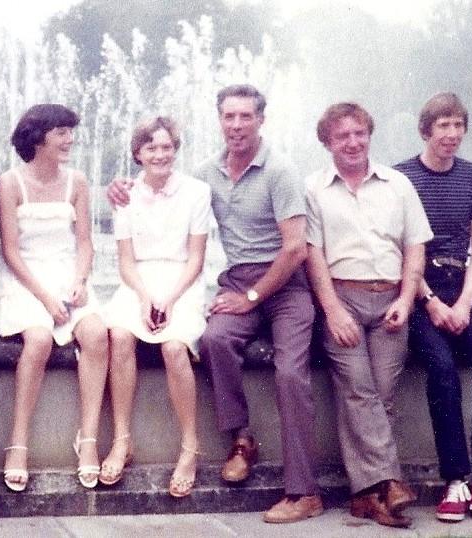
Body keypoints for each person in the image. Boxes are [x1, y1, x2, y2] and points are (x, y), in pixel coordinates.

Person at [108, 84, 320, 524]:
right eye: (229, 117)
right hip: (240, 281)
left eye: (246, 116)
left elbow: (295, 249)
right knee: (216, 341)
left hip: (286, 286)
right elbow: (165, 186)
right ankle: (241, 439)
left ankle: (304, 492)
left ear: (261, 119)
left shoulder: (281, 171)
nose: (237, 125)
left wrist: (252, 297)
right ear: (220, 120)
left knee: (290, 372)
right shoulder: (207, 175)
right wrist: (121, 185)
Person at [305, 102, 433, 528]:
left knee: (381, 394)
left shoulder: (398, 185)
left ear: (369, 135)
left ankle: (367, 496)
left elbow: (416, 247)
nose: (353, 142)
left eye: (360, 133)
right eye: (342, 136)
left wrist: (406, 298)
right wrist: (332, 310)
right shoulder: (315, 189)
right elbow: (314, 257)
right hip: (343, 298)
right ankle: (390, 483)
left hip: (392, 302)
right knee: (361, 392)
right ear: (327, 142)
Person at [395, 93, 472, 523]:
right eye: (443, 125)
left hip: (460, 286)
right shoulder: (402, 177)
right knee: (441, 369)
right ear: (426, 130)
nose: (452, 133)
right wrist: (430, 302)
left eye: (459, 125)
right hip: (418, 287)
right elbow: (399, 248)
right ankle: (455, 479)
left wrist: (461, 304)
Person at [0, 104, 109, 492]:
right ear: (38, 137)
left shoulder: (78, 182)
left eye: (71, 131)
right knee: (37, 338)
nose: (70, 139)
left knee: (97, 334)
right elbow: (11, 251)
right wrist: (45, 297)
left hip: (67, 273)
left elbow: (85, 243)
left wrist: (80, 280)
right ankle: (18, 442)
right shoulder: (9, 183)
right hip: (25, 278)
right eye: (62, 132)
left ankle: (87, 439)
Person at [101, 117, 211, 498]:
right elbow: (126, 261)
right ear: (138, 153)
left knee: (174, 347)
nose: (160, 154)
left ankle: (189, 447)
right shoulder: (125, 195)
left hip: (183, 283)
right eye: (151, 148)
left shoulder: (197, 192)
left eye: (166, 147)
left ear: (175, 150)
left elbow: (196, 259)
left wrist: (169, 298)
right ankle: (122, 439)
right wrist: (147, 297)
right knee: (119, 334)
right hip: (139, 282)